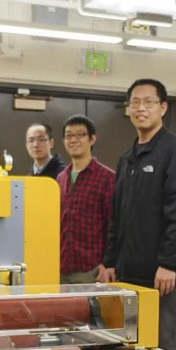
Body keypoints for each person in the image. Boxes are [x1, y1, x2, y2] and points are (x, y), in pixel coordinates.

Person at [99, 79, 176, 350]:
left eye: (149, 102)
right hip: (128, 274)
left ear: (163, 108)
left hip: (163, 276)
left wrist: (169, 263)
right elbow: (117, 216)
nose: (141, 108)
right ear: (128, 108)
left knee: (167, 349)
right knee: (131, 346)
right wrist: (109, 261)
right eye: (135, 102)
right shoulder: (127, 158)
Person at [56, 115, 115, 284]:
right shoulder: (61, 178)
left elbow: (114, 225)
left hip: (92, 271)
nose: (73, 140)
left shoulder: (107, 178)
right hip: (61, 269)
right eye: (69, 135)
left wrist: (108, 264)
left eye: (80, 134)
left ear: (92, 139)